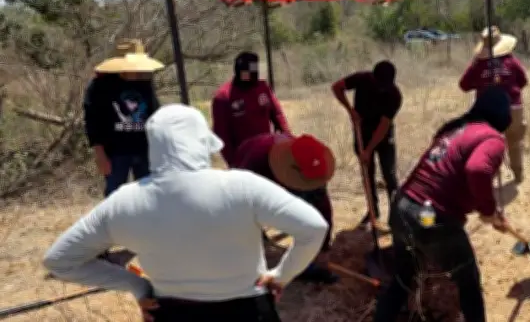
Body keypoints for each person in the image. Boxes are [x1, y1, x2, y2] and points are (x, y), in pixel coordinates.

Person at [43, 104, 328, 322]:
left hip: (170, 311)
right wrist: (281, 275)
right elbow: (313, 227)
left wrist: (135, 284)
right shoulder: (241, 185)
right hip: (247, 309)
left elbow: (59, 260)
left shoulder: (124, 201)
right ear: (201, 142)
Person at [373, 86, 513, 322]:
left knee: (403, 277)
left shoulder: (455, 130)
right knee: (468, 282)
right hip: (432, 218)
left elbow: (450, 174)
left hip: (402, 207)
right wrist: (488, 211)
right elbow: (478, 170)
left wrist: (489, 210)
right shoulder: (492, 138)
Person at [233, 132, 338, 284]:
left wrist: (323, 249)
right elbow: (241, 207)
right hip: (250, 172)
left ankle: (304, 267)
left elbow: (322, 210)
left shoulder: (311, 165)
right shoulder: (255, 164)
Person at [84, 39, 163, 198]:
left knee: (150, 196)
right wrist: (100, 154)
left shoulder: (145, 81)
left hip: (144, 150)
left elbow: (155, 114)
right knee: (115, 197)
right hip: (115, 153)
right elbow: (92, 122)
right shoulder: (100, 85)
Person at [331, 60, 402, 229]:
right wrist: (350, 110)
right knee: (367, 173)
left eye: (386, 85)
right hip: (362, 132)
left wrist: (368, 150)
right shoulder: (362, 79)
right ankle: (373, 211)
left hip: (383, 137)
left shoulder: (394, 95)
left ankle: (396, 215)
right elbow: (337, 87)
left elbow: (384, 125)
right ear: (373, 78)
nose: (383, 89)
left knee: (389, 175)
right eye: (380, 85)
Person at [459, 26, 528, 182]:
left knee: (489, 142)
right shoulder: (511, 60)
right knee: (514, 141)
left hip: (487, 110)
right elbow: (523, 80)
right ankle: (518, 174)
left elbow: (464, 85)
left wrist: (480, 81)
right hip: (513, 106)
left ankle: (491, 175)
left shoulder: (478, 64)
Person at [212, 51, 291, 166]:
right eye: (248, 73)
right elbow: (222, 134)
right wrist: (233, 162)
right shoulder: (224, 96)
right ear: (238, 72)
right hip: (244, 158)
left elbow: (277, 114)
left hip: (267, 151)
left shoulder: (262, 88)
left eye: (255, 72)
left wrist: (288, 139)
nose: (252, 76)